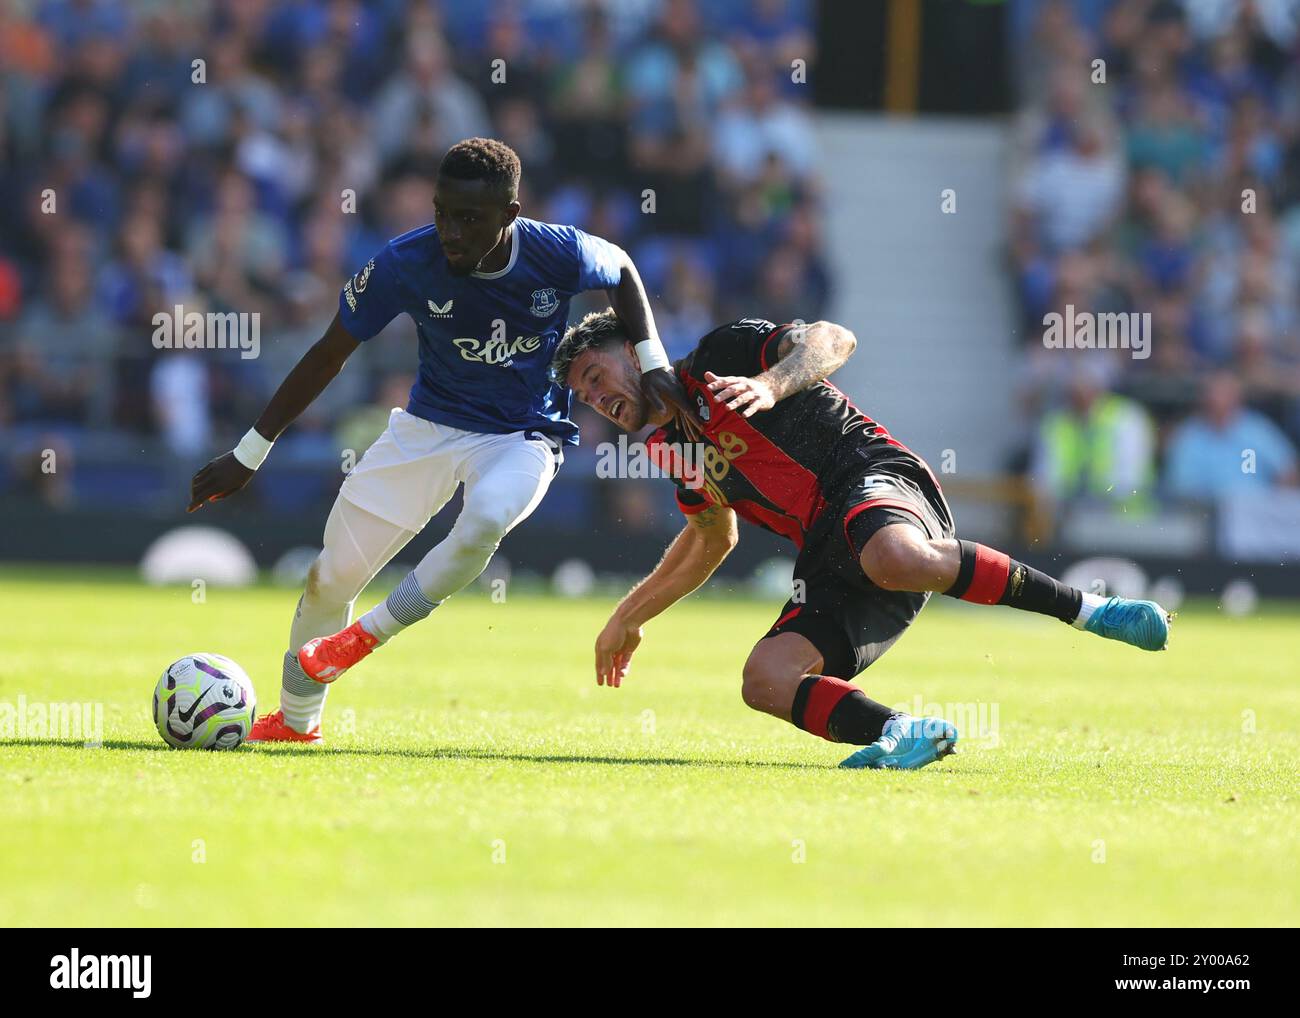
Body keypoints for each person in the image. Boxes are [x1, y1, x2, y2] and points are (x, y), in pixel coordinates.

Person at [187, 138, 691, 744]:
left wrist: (652, 358)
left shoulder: (555, 252)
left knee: (485, 516)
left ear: (509, 215)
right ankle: (297, 725)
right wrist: (249, 454)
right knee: (330, 577)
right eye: (442, 212)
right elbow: (328, 355)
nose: (451, 231)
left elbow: (623, 268)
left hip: (522, 436)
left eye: (470, 219)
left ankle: (363, 638)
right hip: (426, 428)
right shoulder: (405, 263)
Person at [551, 311, 1172, 771]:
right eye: (584, 394)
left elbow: (834, 338)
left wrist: (772, 384)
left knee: (892, 555)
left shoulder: (721, 354)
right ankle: (904, 731)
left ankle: (1093, 611)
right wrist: (627, 616)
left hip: (873, 477)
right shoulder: (669, 446)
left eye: (596, 374)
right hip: (829, 552)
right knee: (764, 680)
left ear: (635, 354)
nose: (596, 398)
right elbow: (710, 537)